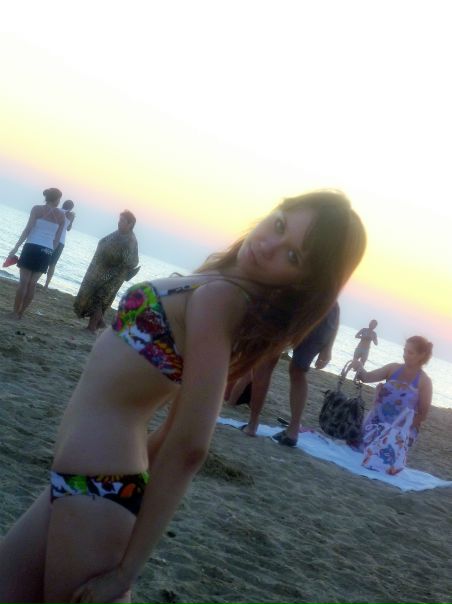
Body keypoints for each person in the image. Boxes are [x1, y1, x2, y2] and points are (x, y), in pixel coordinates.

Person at [0, 190, 366, 604]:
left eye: (293, 256)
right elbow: (171, 423)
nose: (269, 245)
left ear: (303, 283)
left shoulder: (221, 299)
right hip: (90, 476)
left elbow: (191, 444)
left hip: (99, 485)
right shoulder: (219, 280)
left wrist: (125, 572)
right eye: (279, 224)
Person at [229, 302, 340, 446]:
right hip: (321, 310)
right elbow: (334, 302)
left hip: (295, 305)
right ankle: (292, 431)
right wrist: (328, 347)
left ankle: (253, 424)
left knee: (266, 364)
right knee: (297, 371)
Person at [351, 335, 433, 475]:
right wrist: (359, 367)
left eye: (410, 352)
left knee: (380, 458)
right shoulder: (393, 368)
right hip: (376, 423)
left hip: (400, 431)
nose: (405, 355)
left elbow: (422, 415)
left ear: (422, 355)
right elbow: (366, 377)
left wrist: (397, 431)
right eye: (404, 350)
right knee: (358, 451)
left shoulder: (424, 381)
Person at [73, 210, 139, 332]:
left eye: (122, 221)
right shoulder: (117, 234)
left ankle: (92, 327)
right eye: (119, 220)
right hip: (102, 271)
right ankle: (101, 323)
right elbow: (104, 243)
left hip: (115, 275)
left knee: (99, 299)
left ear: (130, 224)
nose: (119, 223)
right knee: (94, 295)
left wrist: (112, 258)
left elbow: (130, 261)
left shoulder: (131, 241)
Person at [8, 188, 65, 319]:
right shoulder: (62, 216)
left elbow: (27, 229)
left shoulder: (37, 209)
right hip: (46, 250)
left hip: (31, 246)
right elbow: (57, 239)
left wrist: (16, 247)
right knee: (32, 284)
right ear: (56, 199)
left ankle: (15, 312)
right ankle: (21, 313)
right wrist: (50, 251)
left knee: (24, 282)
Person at [44, 200, 76, 289]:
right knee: (52, 264)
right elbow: (68, 229)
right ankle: (46, 285)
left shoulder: (56, 211)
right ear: (71, 208)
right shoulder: (71, 215)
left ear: (63, 204)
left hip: (51, 239)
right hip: (61, 241)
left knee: (44, 259)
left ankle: (35, 279)